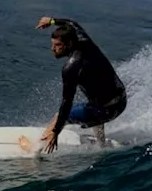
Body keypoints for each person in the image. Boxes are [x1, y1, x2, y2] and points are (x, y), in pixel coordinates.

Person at [34, 15, 127, 153]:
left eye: (57, 45)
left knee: (58, 117)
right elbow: (71, 23)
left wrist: (56, 131)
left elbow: (67, 103)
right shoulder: (84, 40)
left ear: (69, 44)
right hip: (121, 102)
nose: (52, 49)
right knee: (94, 103)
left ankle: (38, 147)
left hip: (105, 110)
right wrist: (51, 21)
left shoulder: (72, 67)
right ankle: (102, 145)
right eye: (52, 44)